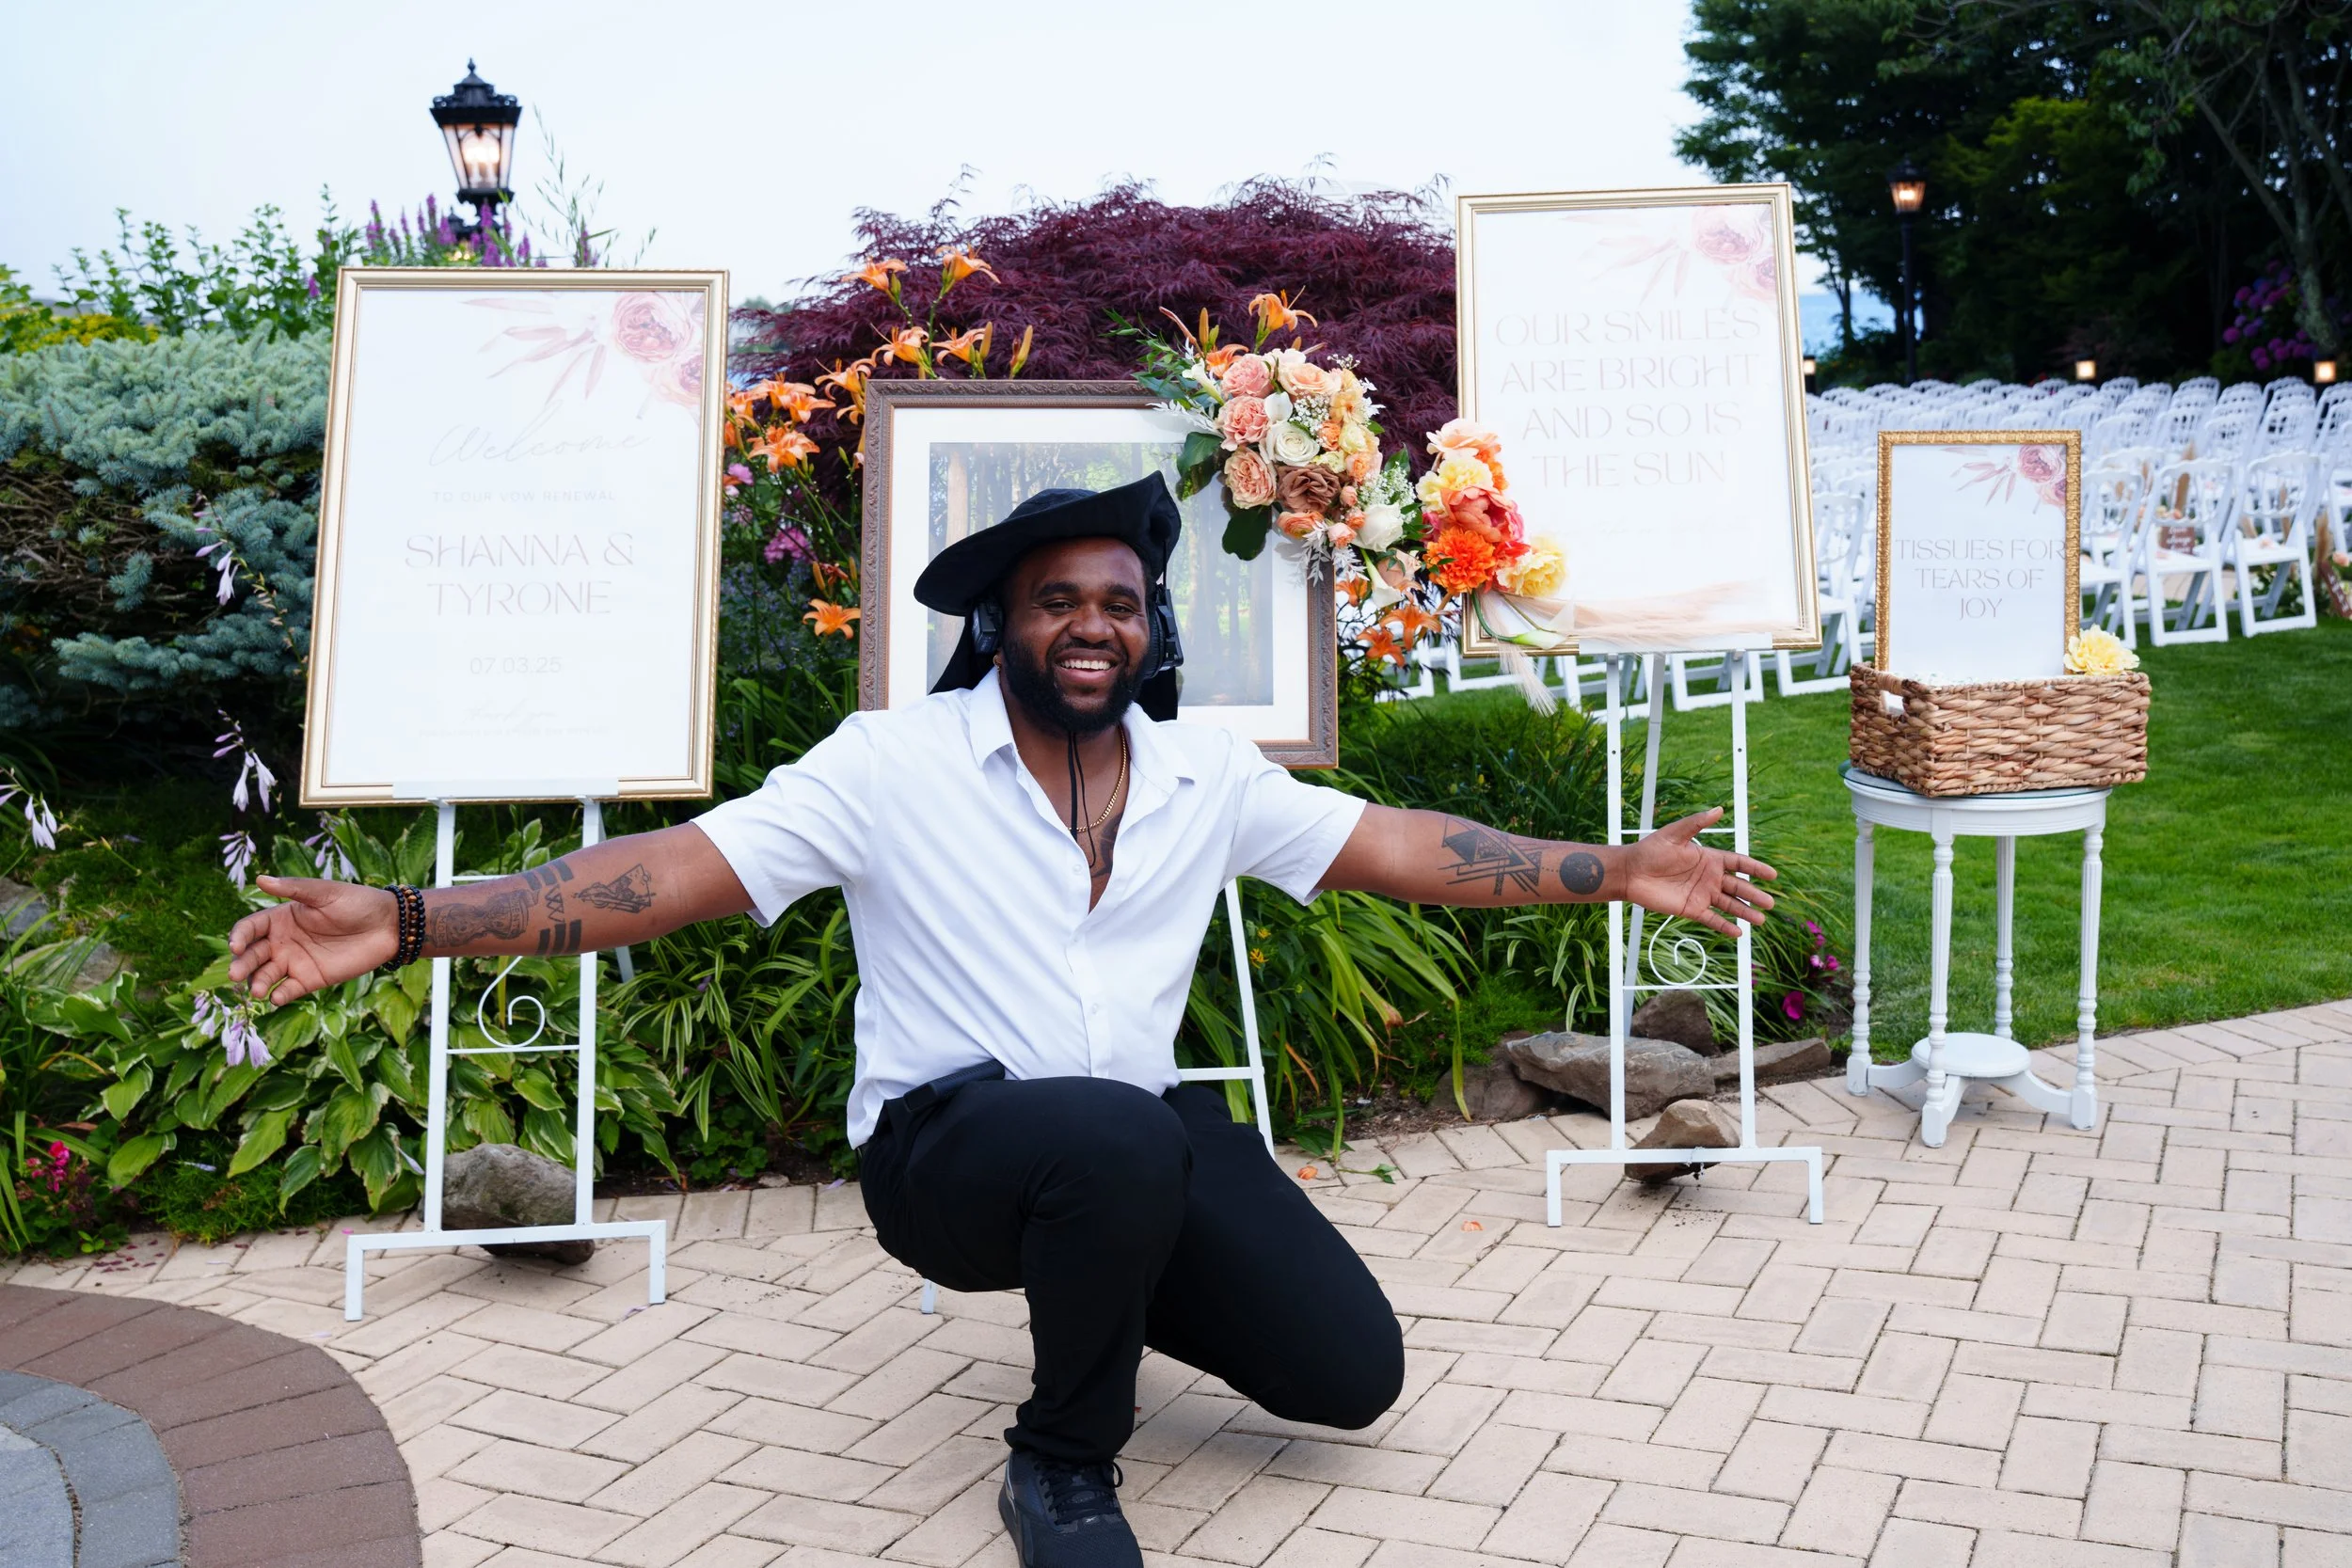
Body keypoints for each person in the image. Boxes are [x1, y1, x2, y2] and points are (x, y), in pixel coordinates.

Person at [229, 475, 1776, 1568]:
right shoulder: (889, 764)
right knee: (1109, 1137)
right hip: (946, 1149)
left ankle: (1106, 1254)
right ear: (1005, 623)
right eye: (1060, 602)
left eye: (1122, 600)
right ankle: (1061, 1461)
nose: (1094, 624)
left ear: (1152, 625)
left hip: (1128, 1140)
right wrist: (415, 919)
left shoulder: (1202, 773)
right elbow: (658, 876)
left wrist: (1617, 870)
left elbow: (1402, 844)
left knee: (1345, 1372)